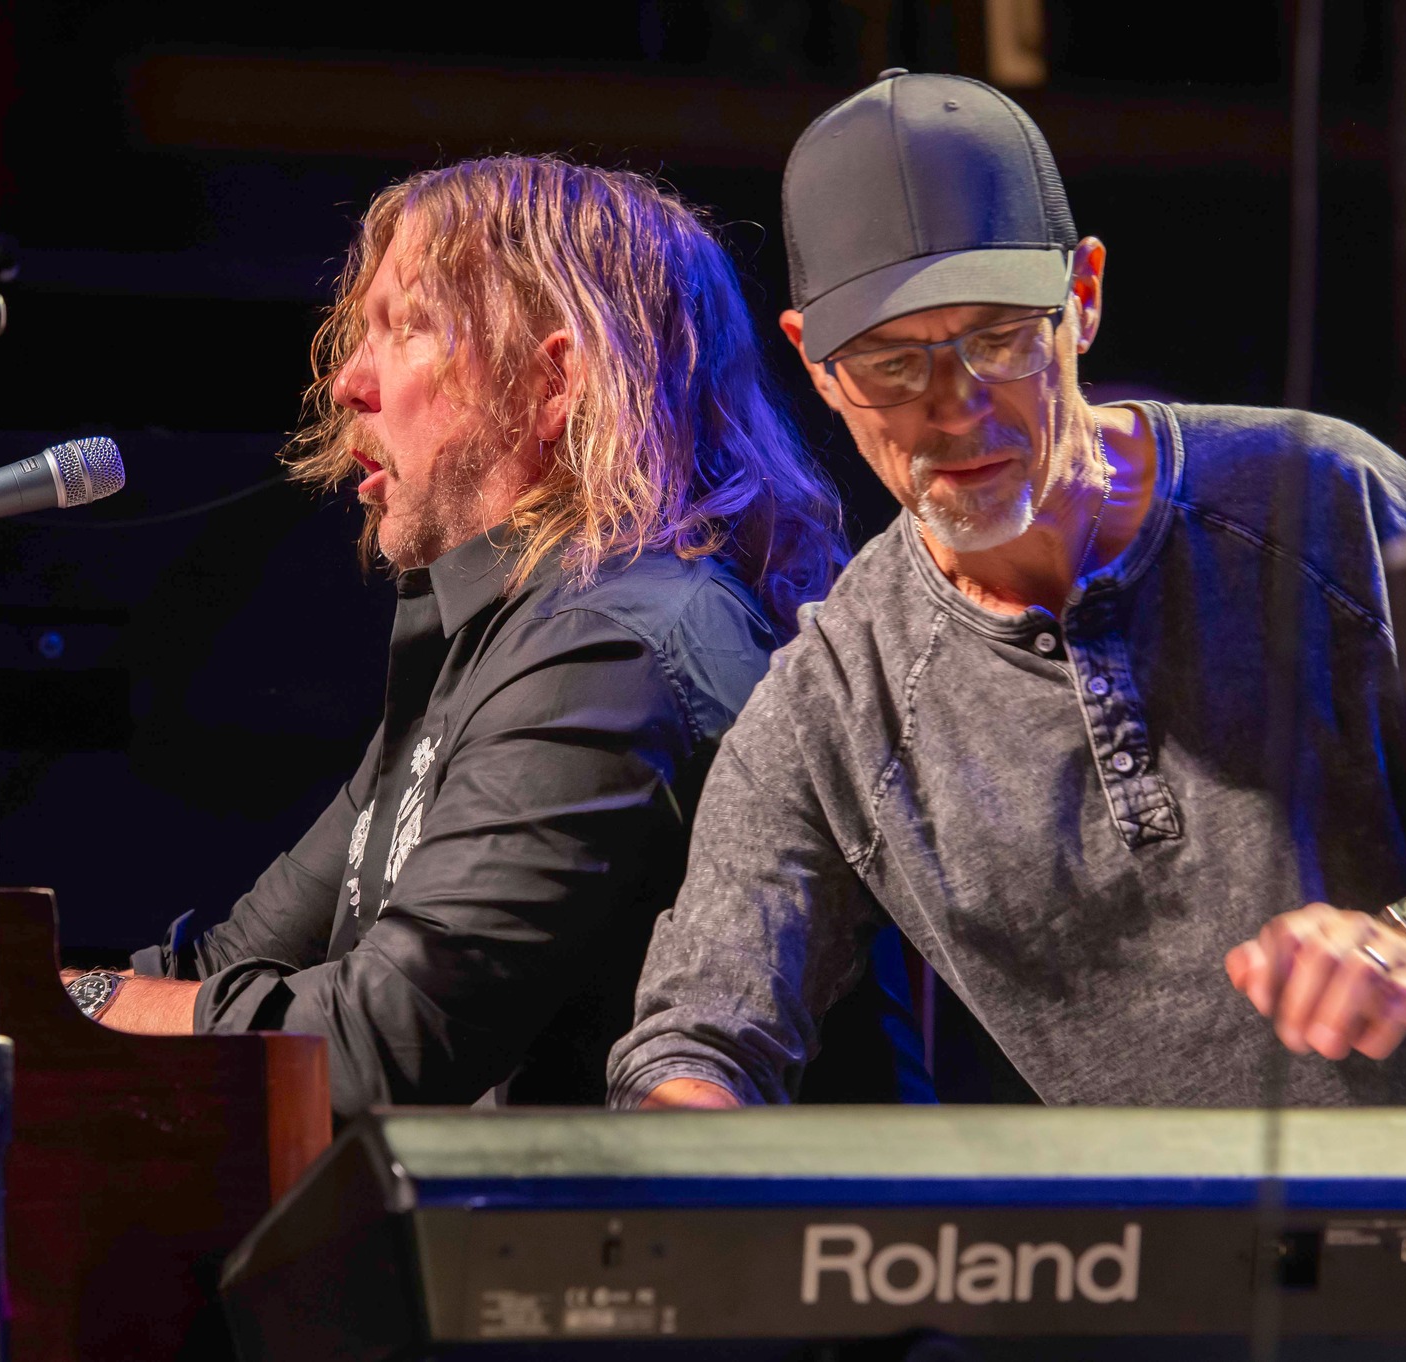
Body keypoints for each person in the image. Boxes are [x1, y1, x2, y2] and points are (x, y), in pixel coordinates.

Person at [608, 71, 1406, 1110]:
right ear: (815, 363)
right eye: (892, 363)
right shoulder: (833, 703)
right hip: (1184, 1283)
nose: (952, 408)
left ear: (1080, 297)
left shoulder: (1312, 497)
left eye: (993, 339)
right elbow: (696, 1034)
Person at [62, 156, 848, 1120]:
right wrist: (47, 1003)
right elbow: (234, 964)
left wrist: (69, 1008)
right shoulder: (501, 641)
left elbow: (383, 1036)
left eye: (408, 327)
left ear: (555, 382)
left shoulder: (611, 648)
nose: (350, 382)